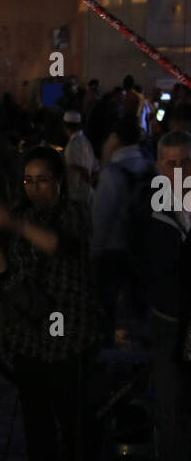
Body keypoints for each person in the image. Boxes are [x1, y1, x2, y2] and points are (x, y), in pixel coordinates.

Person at [0, 146, 99, 461]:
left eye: (41, 180)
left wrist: (16, 226)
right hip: (28, 330)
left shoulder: (74, 214)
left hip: (69, 325)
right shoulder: (19, 216)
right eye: (28, 181)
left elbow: (59, 246)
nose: (34, 188)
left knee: (74, 417)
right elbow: (2, 271)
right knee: (35, 417)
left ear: (57, 182)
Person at [141, 130, 191, 461]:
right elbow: (135, 264)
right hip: (167, 321)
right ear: (160, 166)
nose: (180, 170)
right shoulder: (148, 209)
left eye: (186, 162)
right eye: (172, 162)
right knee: (169, 410)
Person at [92, 114, 153, 345]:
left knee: (107, 312)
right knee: (139, 311)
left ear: (115, 138)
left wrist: (93, 254)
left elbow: (102, 220)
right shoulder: (150, 168)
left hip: (113, 254)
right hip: (144, 252)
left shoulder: (113, 173)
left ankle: (111, 356)